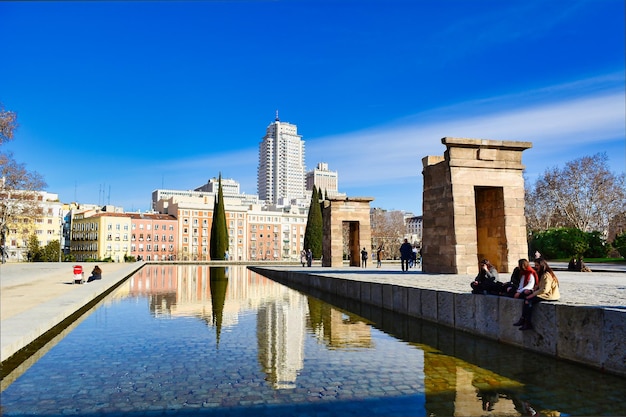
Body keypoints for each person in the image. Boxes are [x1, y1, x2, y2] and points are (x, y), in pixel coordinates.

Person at [516, 258, 560, 330]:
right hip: (545, 293)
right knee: (526, 298)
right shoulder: (543, 274)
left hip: (550, 295)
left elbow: (545, 289)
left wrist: (533, 294)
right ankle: (523, 319)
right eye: (535, 265)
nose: (536, 267)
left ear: (542, 265)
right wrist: (533, 291)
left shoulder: (546, 275)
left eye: (537, 265)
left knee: (528, 300)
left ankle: (527, 322)